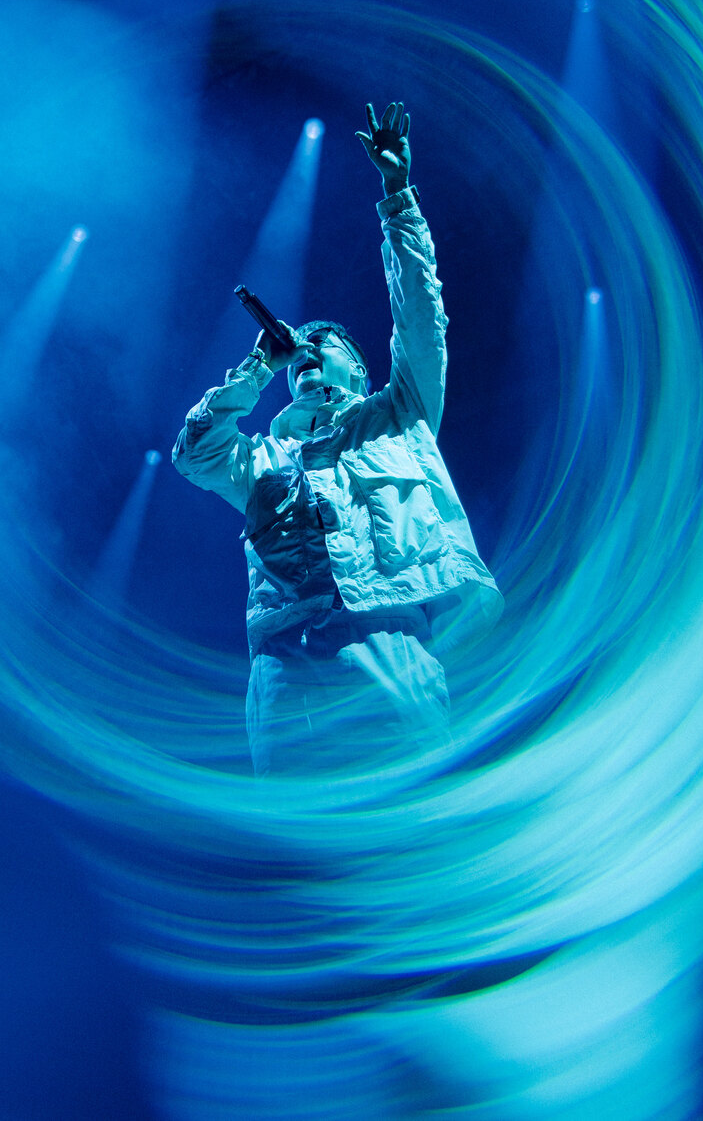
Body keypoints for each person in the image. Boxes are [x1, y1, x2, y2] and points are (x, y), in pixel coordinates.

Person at [173, 102, 502, 775]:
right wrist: (258, 366)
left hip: (388, 638)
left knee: (406, 807)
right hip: (284, 659)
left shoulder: (399, 415)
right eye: (300, 353)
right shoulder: (262, 456)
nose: (309, 354)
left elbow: (421, 319)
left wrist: (398, 197)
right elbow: (194, 452)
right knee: (297, 828)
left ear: (358, 366)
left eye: (325, 346)